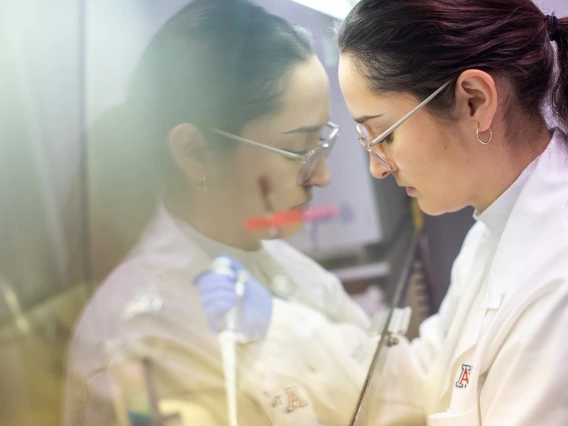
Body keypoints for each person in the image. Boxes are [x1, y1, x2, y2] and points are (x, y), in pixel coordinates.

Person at [64, 1, 376, 425]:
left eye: (321, 141)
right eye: (297, 149)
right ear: (195, 153)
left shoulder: (274, 262)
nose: (322, 176)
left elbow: (384, 385)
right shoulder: (140, 343)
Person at [331, 0, 568, 424]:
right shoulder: (492, 227)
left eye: (382, 135)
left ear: (475, 101)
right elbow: (428, 375)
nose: (377, 167)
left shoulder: (557, 283)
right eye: (364, 140)